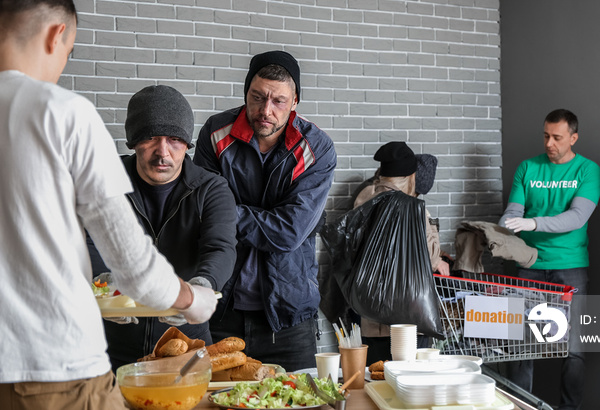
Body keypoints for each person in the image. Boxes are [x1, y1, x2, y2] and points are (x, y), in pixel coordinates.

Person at [0, 0, 217, 408]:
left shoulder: (210, 189)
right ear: (56, 34)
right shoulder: (62, 113)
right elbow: (132, 265)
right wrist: (194, 299)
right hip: (53, 369)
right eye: (70, 51)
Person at [193, 50, 337, 372]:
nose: (265, 111)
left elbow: (289, 233)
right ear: (246, 91)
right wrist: (258, 218)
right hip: (220, 309)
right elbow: (204, 213)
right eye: (257, 98)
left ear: (295, 101)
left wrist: (231, 212)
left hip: (289, 318)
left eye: (279, 102)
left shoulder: (316, 149)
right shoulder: (216, 134)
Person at [89, 85, 238, 370]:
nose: (163, 152)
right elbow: (87, 240)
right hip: (106, 351)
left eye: (174, 139)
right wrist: (102, 285)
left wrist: (201, 287)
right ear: (133, 142)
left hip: (185, 349)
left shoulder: (212, 189)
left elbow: (220, 248)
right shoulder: (108, 179)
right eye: (150, 138)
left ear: (187, 144)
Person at [499, 109, 600, 410]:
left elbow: (577, 217)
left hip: (570, 266)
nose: (549, 143)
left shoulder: (587, 170)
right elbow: (514, 211)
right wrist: (508, 221)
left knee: (573, 348)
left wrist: (533, 224)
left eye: (557, 137)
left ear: (573, 137)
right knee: (520, 345)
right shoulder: (528, 168)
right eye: (546, 136)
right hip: (529, 266)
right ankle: (520, 406)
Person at [353, 141, 450, 364]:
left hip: (370, 313)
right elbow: (430, 256)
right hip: (410, 318)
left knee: (376, 378)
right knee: (410, 382)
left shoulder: (363, 199)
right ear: (410, 177)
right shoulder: (414, 208)